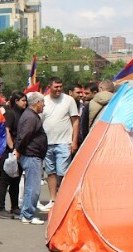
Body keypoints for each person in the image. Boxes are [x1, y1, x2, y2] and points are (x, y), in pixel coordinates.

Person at [38, 77, 79, 212]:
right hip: (47, 143)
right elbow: (39, 121)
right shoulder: (44, 101)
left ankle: (64, 198)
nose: (58, 89)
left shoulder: (69, 100)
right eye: (56, 87)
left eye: (60, 86)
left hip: (64, 143)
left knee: (62, 172)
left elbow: (75, 121)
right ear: (50, 86)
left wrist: (74, 141)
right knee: (51, 173)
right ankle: (53, 199)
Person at [14, 92, 48, 225]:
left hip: (31, 154)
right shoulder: (31, 117)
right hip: (31, 155)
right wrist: (18, 149)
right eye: (43, 102)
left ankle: (26, 213)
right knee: (33, 188)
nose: (44, 105)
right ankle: (28, 214)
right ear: (37, 102)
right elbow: (25, 135)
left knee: (30, 186)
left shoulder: (30, 115)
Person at [0, 91, 26, 219]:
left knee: (15, 180)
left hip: (18, 152)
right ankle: (0, 209)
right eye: (23, 100)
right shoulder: (10, 114)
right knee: (4, 180)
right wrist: (12, 148)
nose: (25, 103)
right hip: (8, 153)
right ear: (16, 101)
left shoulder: (22, 114)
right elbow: (6, 131)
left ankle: (14, 207)